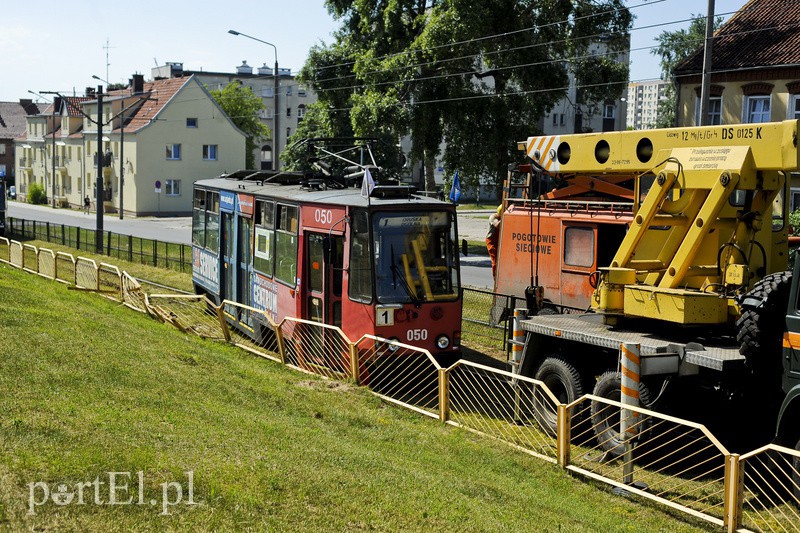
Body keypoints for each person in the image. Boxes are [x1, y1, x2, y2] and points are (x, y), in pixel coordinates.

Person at [486, 205, 503, 278]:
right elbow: (497, 225)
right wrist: (505, 217)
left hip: (499, 240)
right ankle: (495, 278)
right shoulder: (493, 217)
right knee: (495, 260)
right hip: (491, 240)